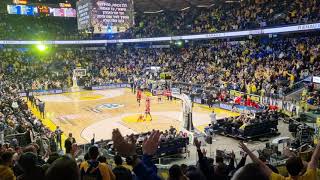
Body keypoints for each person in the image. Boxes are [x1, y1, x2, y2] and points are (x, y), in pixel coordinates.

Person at [238, 141, 320, 180]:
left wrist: (247, 151)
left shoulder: (279, 179)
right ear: (302, 168)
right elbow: (314, 158)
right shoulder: (310, 176)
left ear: (287, 169)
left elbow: (261, 165)